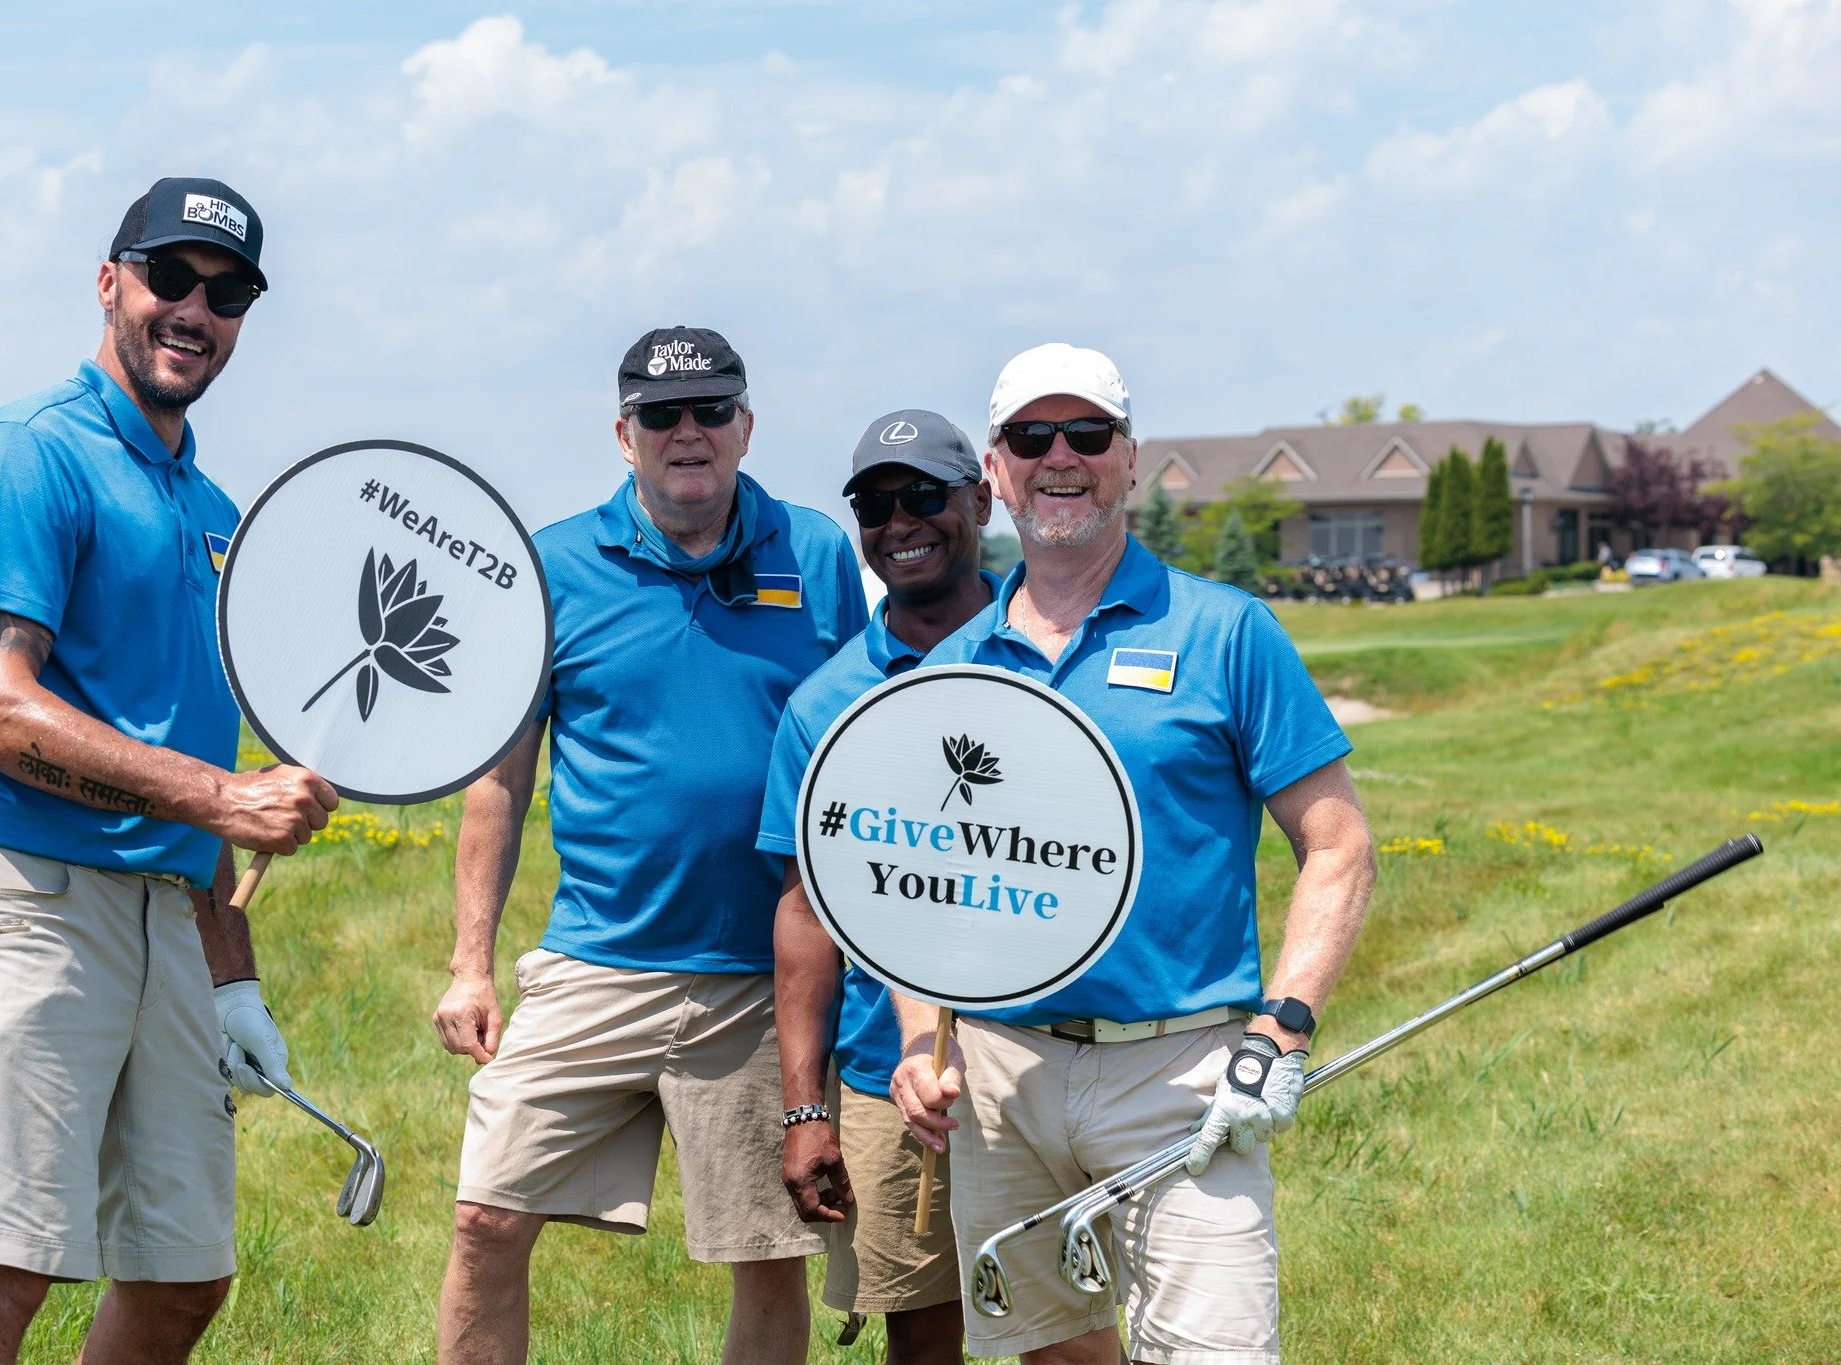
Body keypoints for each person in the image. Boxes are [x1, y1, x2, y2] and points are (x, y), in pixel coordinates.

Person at [0, 177, 340, 1365]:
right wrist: (219, 800)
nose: (195, 308)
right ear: (109, 283)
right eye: (170, 278)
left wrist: (231, 978)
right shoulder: (30, 455)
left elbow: (190, 742)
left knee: (183, 1275)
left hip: (167, 932)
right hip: (21, 905)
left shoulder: (217, 512)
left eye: (227, 290)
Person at [891, 343, 1377, 1365]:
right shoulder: (954, 665)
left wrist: (1282, 1030)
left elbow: (1335, 845)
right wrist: (915, 1042)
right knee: (1055, 1352)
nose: (1057, 456)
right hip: (1000, 1072)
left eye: (1085, 434)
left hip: (1181, 1065)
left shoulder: (1225, 632)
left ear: (1128, 456)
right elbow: (918, 887)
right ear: (994, 468)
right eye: (1031, 437)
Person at [433, 326, 870, 1365]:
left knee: (766, 1251)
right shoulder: (549, 566)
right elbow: (500, 779)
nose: (688, 433)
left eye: (711, 411)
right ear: (622, 434)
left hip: (763, 975)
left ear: (746, 427)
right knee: (484, 1217)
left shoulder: (811, 553)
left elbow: (864, 752)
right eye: (662, 415)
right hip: (595, 959)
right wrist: (468, 964)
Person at [762, 411, 997, 1364]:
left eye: (925, 496)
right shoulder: (825, 702)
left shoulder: (1061, 648)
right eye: (876, 503)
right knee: (924, 1331)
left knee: (1074, 1325)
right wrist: (806, 1109)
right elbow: (807, 909)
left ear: (981, 499)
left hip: (1063, 1056)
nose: (901, 520)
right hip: (893, 1070)